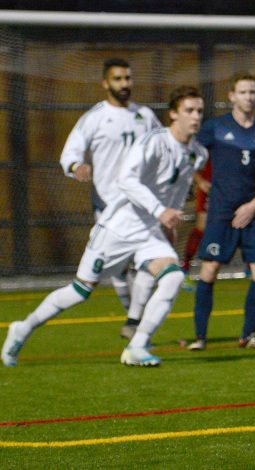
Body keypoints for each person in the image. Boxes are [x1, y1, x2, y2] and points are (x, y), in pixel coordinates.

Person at [4, 86, 208, 367]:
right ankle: (23, 328)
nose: (195, 116)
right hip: (118, 228)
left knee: (172, 277)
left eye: (199, 111)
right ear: (173, 114)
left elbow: (174, 192)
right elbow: (126, 179)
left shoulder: (198, 153)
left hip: (148, 234)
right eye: (189, 110)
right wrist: (160, 211)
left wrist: (167, 222)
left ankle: (137, 345)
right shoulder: (153, 142)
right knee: (80, 292)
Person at [58, 58, 163, 340]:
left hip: (141, 205)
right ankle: (134, 319)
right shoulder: (94, 118)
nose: (124, 84)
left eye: (127, 78)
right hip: (108, 205)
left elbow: (162, 148)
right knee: (116, 268)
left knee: (146, 262)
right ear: (105, 83)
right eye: (117, 79)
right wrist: (76, 166)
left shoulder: (145, 115)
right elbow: (70, 152)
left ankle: (135, 321)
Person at [187, 73, 255, 351]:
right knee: (210, 269)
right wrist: (200, 182)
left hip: (253, 213)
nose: (249, 97)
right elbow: (188, 154)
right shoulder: (215, 128)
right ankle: (200, 337)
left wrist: (254, 205)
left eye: (252, 92)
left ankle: (248, 336)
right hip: (221, 212)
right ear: (231, 96)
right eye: (243, 92)